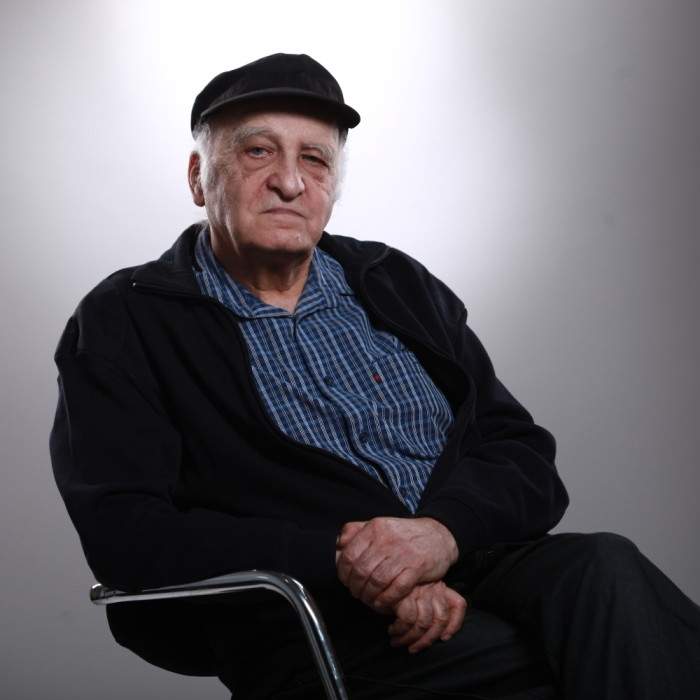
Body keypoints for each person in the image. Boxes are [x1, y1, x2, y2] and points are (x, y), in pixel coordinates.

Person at [50, 53, 700, 699]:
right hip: (312, 616)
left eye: (314, 159)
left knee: (609, 570)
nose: (289, 182)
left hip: (474, 560)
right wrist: (352, 561)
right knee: (617, 650)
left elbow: (520, 454)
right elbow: (127, 532)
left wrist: (440, 536)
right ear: (199, 177)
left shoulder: (394, 282)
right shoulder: (125, 319)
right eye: (257, 152)